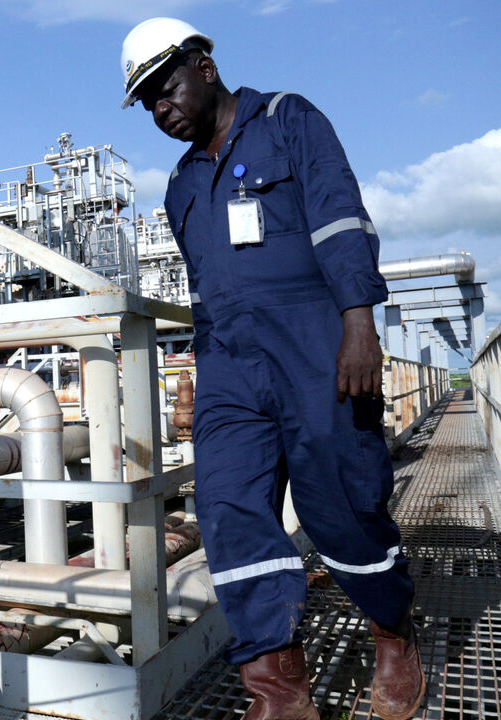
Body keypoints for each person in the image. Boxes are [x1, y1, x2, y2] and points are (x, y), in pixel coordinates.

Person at [119, 17, 425, 720]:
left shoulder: (289, 120)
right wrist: (197, 373)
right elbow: (205, 285)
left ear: (202, 65)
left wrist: (358, 322)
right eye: (146, 103)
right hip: (228, 362)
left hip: (316, 345)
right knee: (227, 509)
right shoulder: (180, 185)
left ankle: (391, 632)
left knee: (341, 503)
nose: (159, 109)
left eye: (163, 88)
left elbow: (341, 220)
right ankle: (278, 689)